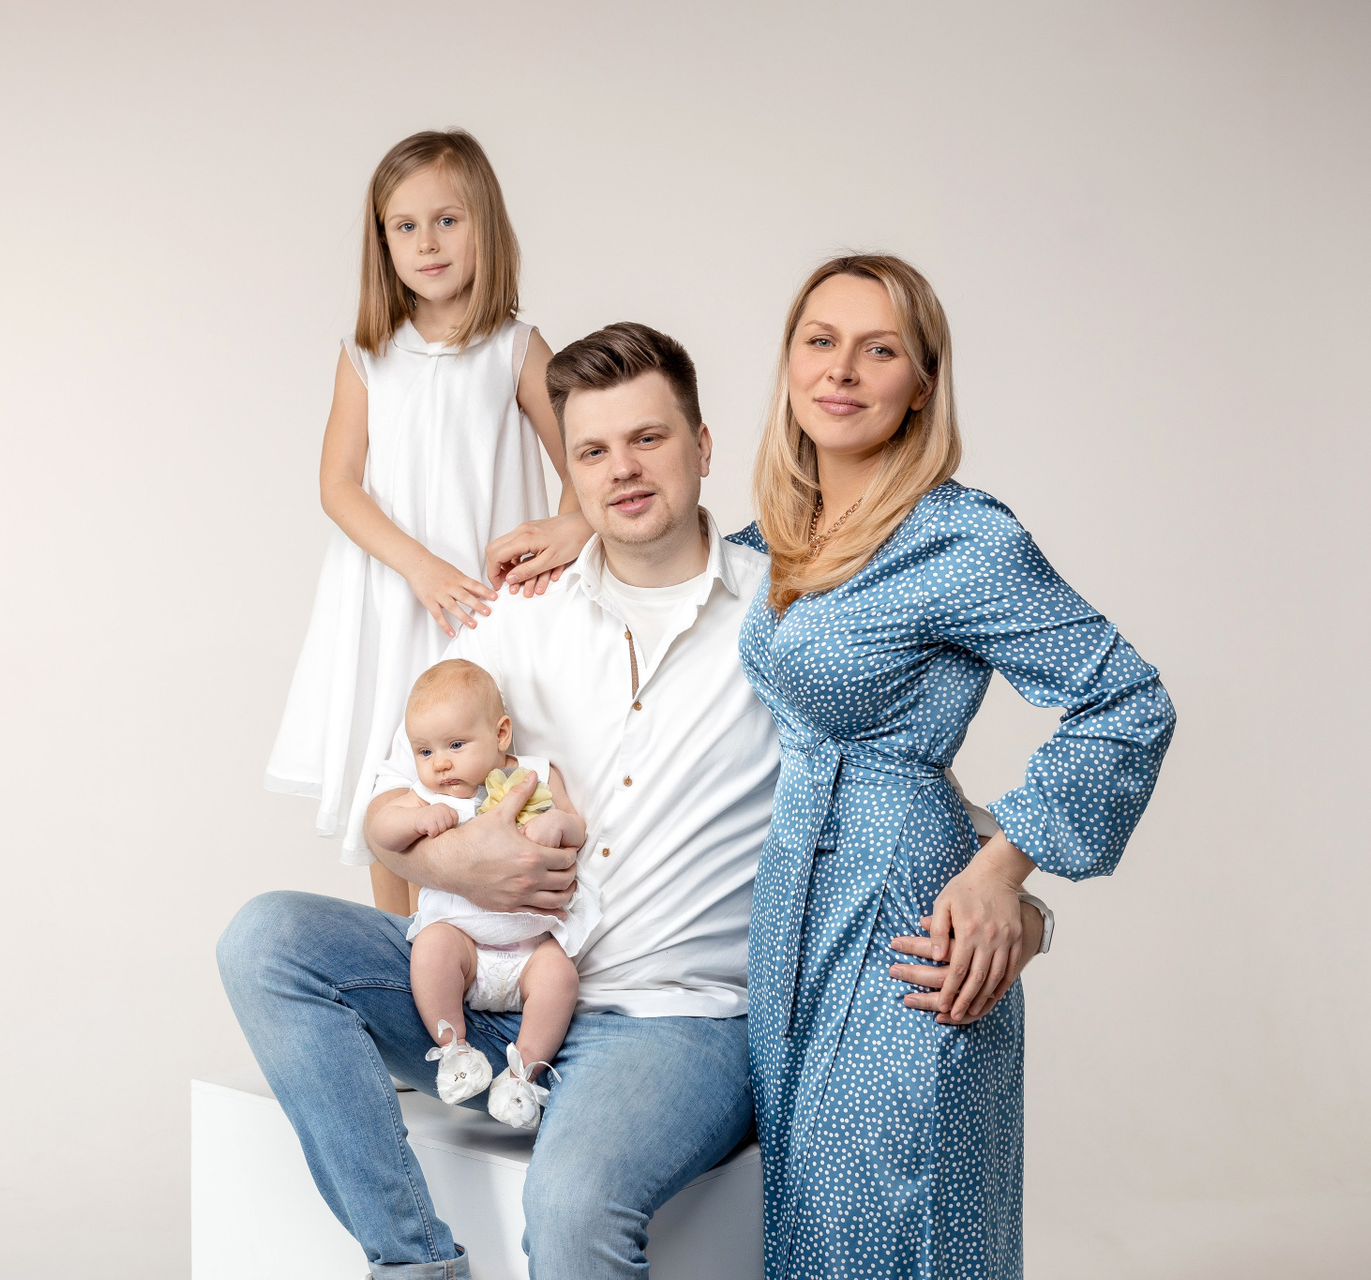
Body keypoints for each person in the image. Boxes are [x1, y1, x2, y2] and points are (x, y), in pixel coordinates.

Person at [220, 320, 1030, 1278]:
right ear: (570, 469)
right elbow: (385, 796)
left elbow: (896, 778)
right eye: (593, 452)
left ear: (703, 447)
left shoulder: (786, 620)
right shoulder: (521, 616)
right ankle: (414, 1263)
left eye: (649, 438)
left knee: (570, 1206)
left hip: (674, 1025)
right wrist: (450, 860)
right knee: (267, 940)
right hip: (490, 989)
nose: (623, 471)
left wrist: (1011, 891)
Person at [734, 254, 1176, 1280]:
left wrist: (1002, 875)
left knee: (892, 1222)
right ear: (789, 361)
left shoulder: (960, 537)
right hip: (790, 917)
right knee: (809, 1234)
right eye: (820, 340)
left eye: (879, 349)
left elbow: (1128, 699)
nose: (842, 370)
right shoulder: (777, 540)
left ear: (922, 384)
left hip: (903, 920)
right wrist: (575, 518)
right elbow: (665, 552)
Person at [263, 128, 579, 915]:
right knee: (396, 778)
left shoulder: (516, 348)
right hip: (394, 599)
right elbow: (338, 485)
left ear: (485, 226)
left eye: (447, 220)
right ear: (383, 243)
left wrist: (565, 534)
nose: (427, 243)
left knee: (495, 768)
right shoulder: (366, 354)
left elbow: (585, 463)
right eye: (405, 226)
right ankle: (399, 949)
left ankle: (498, 955)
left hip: (482, 607)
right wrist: (418, 567)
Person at [363, 658, 596, 1130]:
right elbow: (381, 831)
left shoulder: (536, 775)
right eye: (424, 751)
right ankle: (455, 1051)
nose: (440, 763)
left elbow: (577, 824)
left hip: (532, 950)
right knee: (431, 948)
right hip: (465, 948)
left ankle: (522, 1076)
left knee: (560, 978)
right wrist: (414, 821)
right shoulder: (429, 795)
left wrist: (557, 824)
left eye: (455, 745)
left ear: (501, 733)